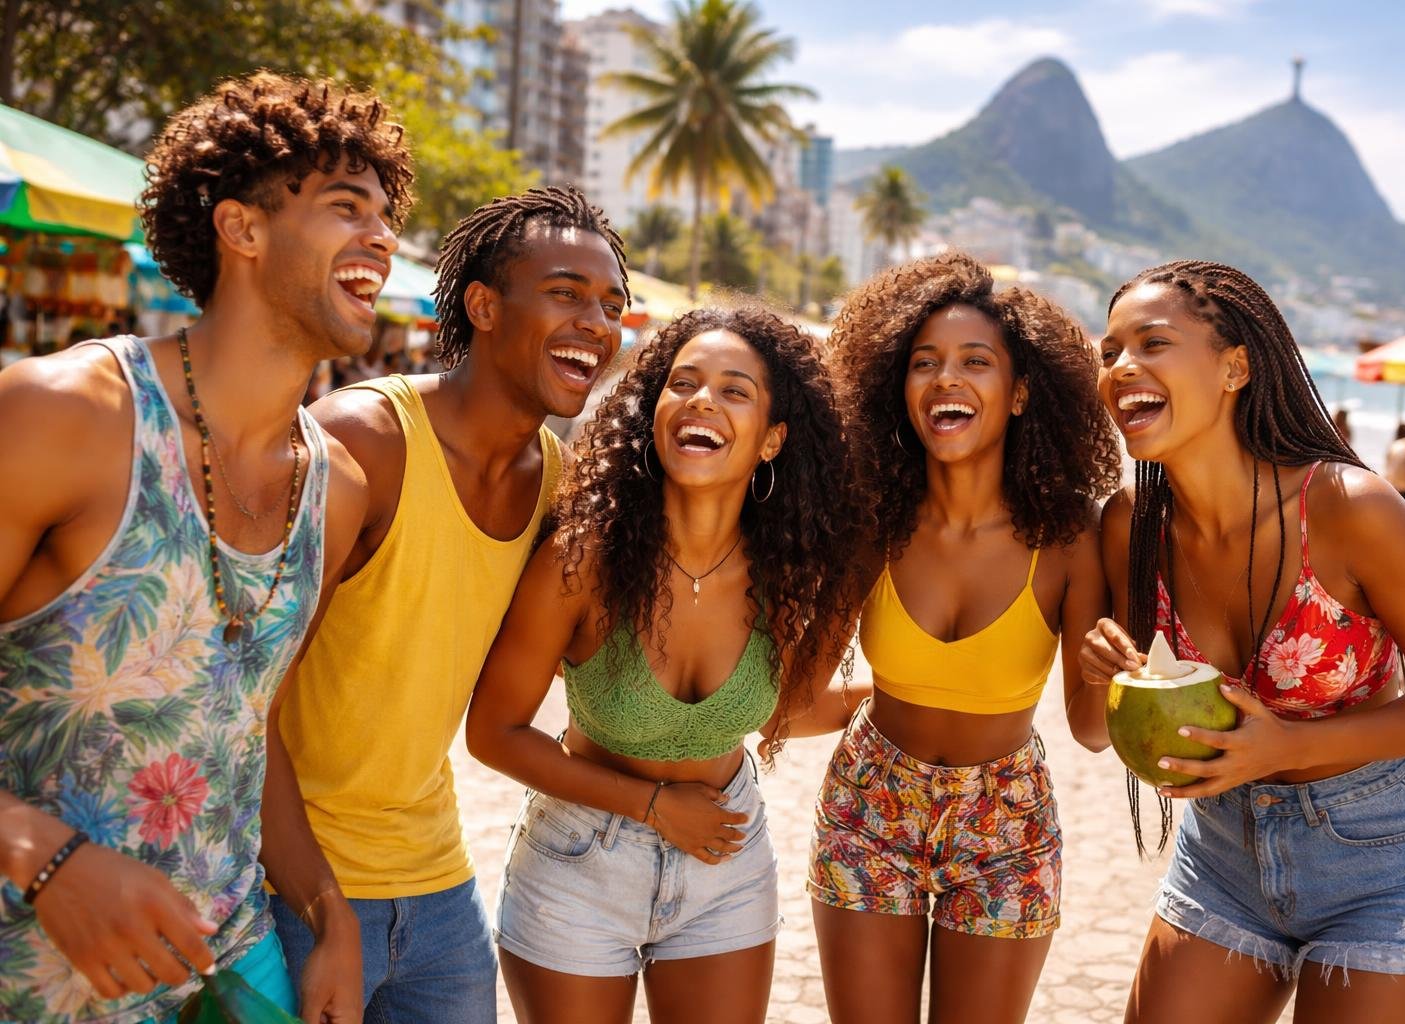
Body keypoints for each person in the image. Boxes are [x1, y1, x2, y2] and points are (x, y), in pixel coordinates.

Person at [0, 72, 407, 1022]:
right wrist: (42, 857)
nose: (383, 238)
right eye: (347, 208)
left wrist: (326, 909)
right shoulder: (67, 416)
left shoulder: (336, 489)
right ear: (243, 228)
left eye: (387, 216)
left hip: (232, 973)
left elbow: (243, 719)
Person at [1082, 260, 1405, 1024]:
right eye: (1109, 351)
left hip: (1383, 863)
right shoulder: (1130, 525)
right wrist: (1107, 672)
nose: (1122, 368)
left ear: (1235, 367)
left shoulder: (1348, 508)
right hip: (1220, 856)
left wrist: (1283, 748)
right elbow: (1099, 732)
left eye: (1152, 343)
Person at [266, 187, 628, 1022]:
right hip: (294, 884)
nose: (597, 324)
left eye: (611, 305)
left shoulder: (558, 483)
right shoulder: (364, 440)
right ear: (483, 305)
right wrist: (321, 907)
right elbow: (247, 697)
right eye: (567, 293)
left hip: (438, 889)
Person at [464, 306, 862, 1022]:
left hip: (727, 861)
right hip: (578, 863)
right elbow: (493, 733)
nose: (703, 400)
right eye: (683, 383)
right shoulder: (582, 561)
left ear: (772, 440)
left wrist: (901, 701)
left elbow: (779, 710)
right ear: (654, 414)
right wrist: (652, 808)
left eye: (735, 390)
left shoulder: (791, 572)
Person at [808, 253, 1123, 1023]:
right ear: (898, 389)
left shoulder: (1072, 534)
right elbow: (788, 703)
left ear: (1019, 393)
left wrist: (1118, 669)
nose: (947, 379)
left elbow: (1089, 730)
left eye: (975, 362)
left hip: (1007, 818)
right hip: (869, 807)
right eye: (925, 364)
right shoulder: (870, 521)